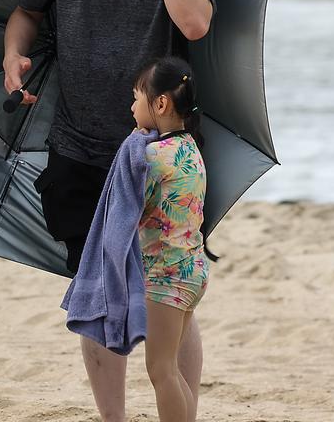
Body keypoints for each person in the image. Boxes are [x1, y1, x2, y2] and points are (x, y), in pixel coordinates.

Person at [2, 0, 214, 422]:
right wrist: (12, 52)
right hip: (77, 143)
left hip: (160, 155)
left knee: (168, 295)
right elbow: (27, 12)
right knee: (94, 287)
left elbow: (195, 24)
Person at [130, 56, 209, 422]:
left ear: (160, 104)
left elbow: (128, 210)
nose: (132, 107)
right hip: (193, 270)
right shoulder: (191, 147)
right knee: (174, 371)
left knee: (161, 370)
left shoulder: (151, 155)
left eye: (136, 98)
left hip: (165, 277)